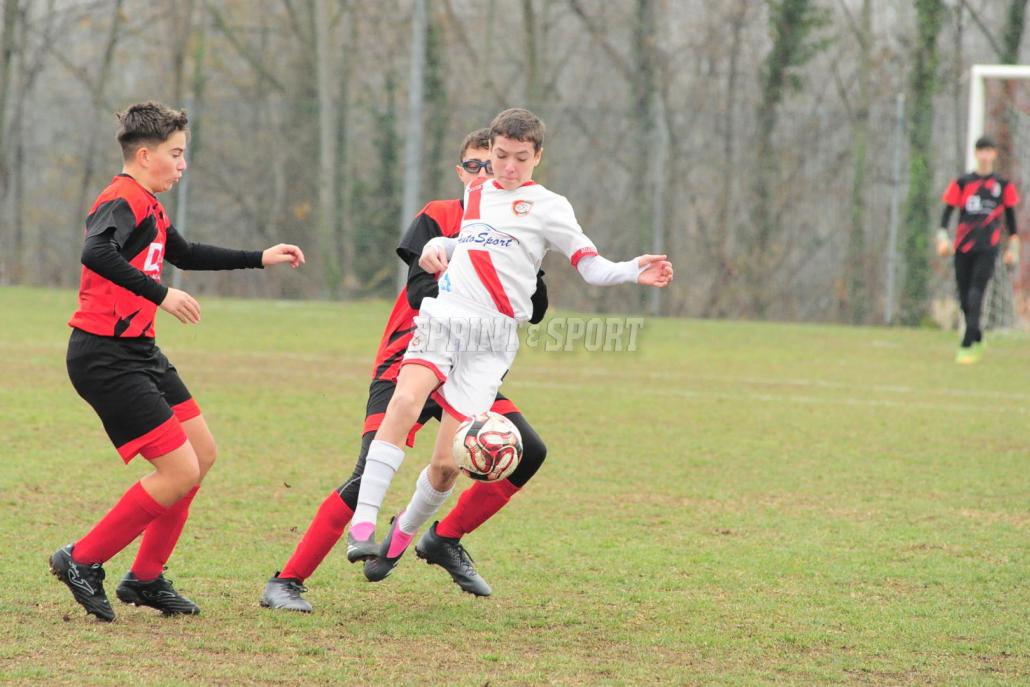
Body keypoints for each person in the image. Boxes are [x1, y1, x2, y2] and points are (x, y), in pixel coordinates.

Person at [345, 108, 674, 587]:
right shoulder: (478, 192)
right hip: (446, 319)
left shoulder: (550, 207)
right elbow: (470, 244)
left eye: (520, 158)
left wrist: (630, 269)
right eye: (500, 156)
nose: (508, 167)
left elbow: (590, 265)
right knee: (405, 399)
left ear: (537, 156)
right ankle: (362, 526)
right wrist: (440, 248)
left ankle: (402, 534)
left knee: (446, 465)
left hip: (492, 342)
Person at [260, 129, 549, 612]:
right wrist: (470, 271)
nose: (486, 173)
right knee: (363, 478)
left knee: (527, 452)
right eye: (474, 165)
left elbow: (536, 310)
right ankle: (286, 581)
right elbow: (419, 292)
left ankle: (442, 538)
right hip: (410, 360)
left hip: (469, 367)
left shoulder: (519, 224)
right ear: (461, 172)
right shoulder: (438, 216)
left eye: (493, 164)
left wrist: (524, 267)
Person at [50, 101, 305, 622]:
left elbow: (184, 253)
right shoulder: (121, 198)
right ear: (145, 156)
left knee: (201, 454)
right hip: (105, 356)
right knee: (178, 469)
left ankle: (145, 577)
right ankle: (81, 559)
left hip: (139, 351)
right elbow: (96, 252)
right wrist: (162, 294)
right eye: (176, 153)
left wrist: (260, 257)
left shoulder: (150, 205)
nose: (183, 164)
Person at [937, 135, 1021, 364]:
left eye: (988, 151)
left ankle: (967, 344)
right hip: (963, 247)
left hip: (988, 248)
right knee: (965, 298)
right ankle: (978, 335)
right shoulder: (962, 183)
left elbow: (1012, 222)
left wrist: (1012, 249)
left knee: (976, 293)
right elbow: (946, 216)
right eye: (981, 150)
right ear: (976, 154)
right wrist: (942, 239)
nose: (985, 155)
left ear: (994, 154)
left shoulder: (1003, 186)